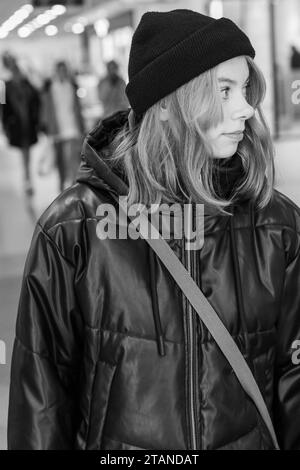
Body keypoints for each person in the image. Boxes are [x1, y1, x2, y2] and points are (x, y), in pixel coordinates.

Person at [8, 9, 300, 450]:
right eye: (224, 90)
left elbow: (292, 383)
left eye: (244, 89)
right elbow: (42, 401)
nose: (246, 108)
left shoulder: (278, 225)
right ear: (167, 104)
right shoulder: (73, 230)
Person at [41, 61, 85, 192]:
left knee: (73, 159)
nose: (62, 73)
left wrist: (81, 126)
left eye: (64, 70)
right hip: (58, 130)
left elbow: (77, 108)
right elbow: (47, 110)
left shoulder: (71, 86)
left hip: (72, 128)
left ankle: (72, 185)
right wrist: (49, 128)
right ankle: (61, 185)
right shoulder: (50, 88)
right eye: (60, 70)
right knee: (60, 161)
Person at [1, 52, 40, 196]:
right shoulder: (4, 86)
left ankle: (27, 177)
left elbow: (36, 98)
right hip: (17, 125)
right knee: (24, 151)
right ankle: (27, 177)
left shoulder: (26, 84)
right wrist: (5, 124)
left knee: (27, 151)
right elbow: (3, 106)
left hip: (28, 123)